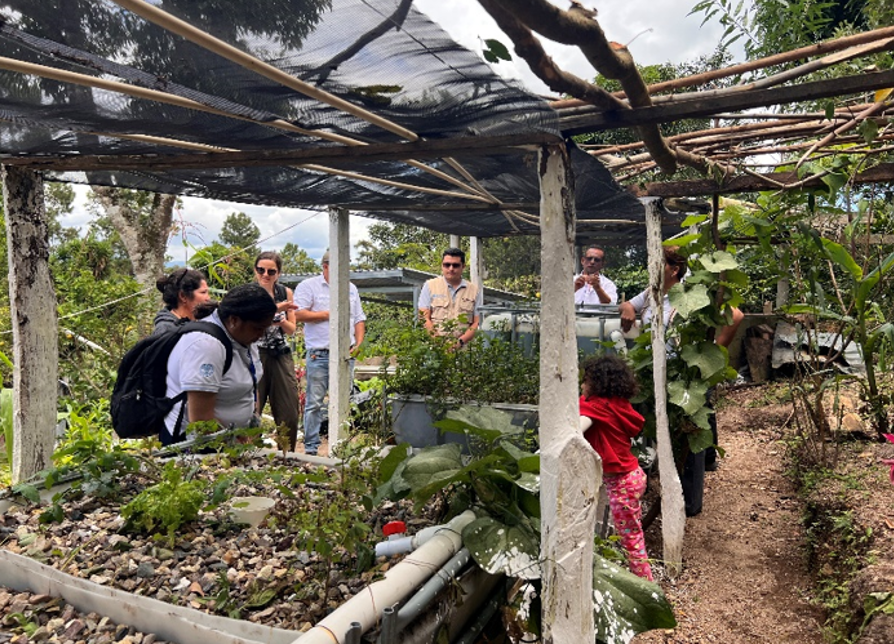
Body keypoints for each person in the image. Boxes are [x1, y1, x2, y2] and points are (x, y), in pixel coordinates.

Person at [619, 246, 744, 515]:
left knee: (690, 432)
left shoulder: (690, 294)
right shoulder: (652, 293)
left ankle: (689, 503)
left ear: (673, 270)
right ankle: (666, 484)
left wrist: (715, 351)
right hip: (658, 373)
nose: (651, 267)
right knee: (668, 429)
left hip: (686, 372)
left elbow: (736, 316)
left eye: (657, 263)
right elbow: (629, 304)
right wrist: (628, 308)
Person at [162, 283, 276, 446]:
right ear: (234, 320)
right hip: (196, 447)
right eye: (258, 328)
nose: (261, 335)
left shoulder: (243, 337)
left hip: (231, 442)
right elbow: (201, 421)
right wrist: (237, 444)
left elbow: (251, 385)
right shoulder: (206, 346)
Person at [579, 355, 653, 581]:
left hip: (621, 482)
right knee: (633, 532)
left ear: (597, 384)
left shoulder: (598, 408)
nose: (581, 386)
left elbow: (573, 428)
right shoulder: (618, 405)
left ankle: (646, 588)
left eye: (585, 381)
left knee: (631, 539)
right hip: (633, 477)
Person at [293, 251, 366, 456]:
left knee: (344, 400)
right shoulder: (309, 286)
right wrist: (329, 314)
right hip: (320, 353)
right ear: (325, 266)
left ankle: (340, 446)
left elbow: (359, 318)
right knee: (315, 402)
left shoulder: (351, 289)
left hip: (345, 354)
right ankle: (311, 448)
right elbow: (298, 314)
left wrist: (358, 343)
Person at [253, 251, 301, 451]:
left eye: (271, 271)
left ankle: (286, 455)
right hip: (255, 353)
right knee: (252, 408)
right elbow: (248, 322)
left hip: (280, 353)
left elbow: (292, 328)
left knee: (289, 410)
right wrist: (274, 310)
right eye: (261, 270)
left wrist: (280, 319)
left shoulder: (285, 293)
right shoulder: (250, 293)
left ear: (278, 273)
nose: (265, 274)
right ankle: (250, 453)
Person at [418, 247, 482, 349]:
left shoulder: (474, 290)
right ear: (442, 266)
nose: (451, 268)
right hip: (435, 348)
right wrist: (440, 342)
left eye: (455, 265)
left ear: (463, 266)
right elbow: (424, 318)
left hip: (464, 349)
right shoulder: (429, 286)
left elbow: (476, 322)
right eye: (447, 265)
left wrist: (459, 343)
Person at [153, 268, 212, 335]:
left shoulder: (199, 321)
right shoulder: (166, 331)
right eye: (203, 292)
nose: (208, 298)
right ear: (183, 296)